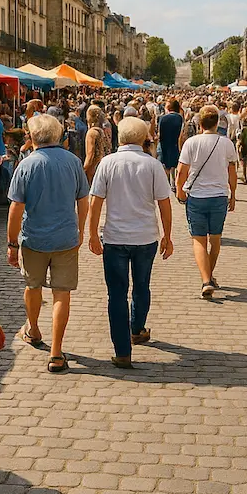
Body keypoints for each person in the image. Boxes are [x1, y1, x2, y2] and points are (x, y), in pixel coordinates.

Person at [88, 117, 175, 369]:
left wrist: (93, 232)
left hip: (115, 237)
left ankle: (122, 350)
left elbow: (95, 201)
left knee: (116, 294)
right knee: (141, 286)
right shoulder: (152, 165)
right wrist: (167, 236)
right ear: (142, 138)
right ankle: (137, 328)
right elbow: (164, 204)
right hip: (145, 237)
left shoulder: (108, 163)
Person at [7, 113, 90, 374]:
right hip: (66, 237)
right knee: (61, 293)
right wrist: (81, 230)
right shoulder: (73, 162)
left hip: (34, 238)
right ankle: (56, 351)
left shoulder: (27, 165)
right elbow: (83, 200)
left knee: (32, 285)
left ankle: (33, 329)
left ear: (32, 137)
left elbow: (15, 208)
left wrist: (11, 243)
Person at [176, 105, 238, 299]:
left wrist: (179, 191)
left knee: (199, 240)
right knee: (216, 240)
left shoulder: (191, 143)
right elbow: (232, 172)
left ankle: (206, 280)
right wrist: (233, 193)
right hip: (219, 195)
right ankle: (209, 276)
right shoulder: (226, 143)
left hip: (197, 197)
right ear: (217, 123)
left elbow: (181, 171)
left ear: (200, 123)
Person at [82, 105, 111, 185]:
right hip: (105, 166)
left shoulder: (91, 133)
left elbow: (90, 154)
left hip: (94, 169)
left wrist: (83, 170)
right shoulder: (104, 131)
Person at [158, 99, 184, 186]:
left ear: (168, 107)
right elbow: (181, 133)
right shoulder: (180, 118)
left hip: (164, 144)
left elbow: (159, 133)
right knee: (175, 165)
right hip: (175, 144)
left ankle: (166, 185)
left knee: (166, 166)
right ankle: (174, 184)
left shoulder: (163, 118)